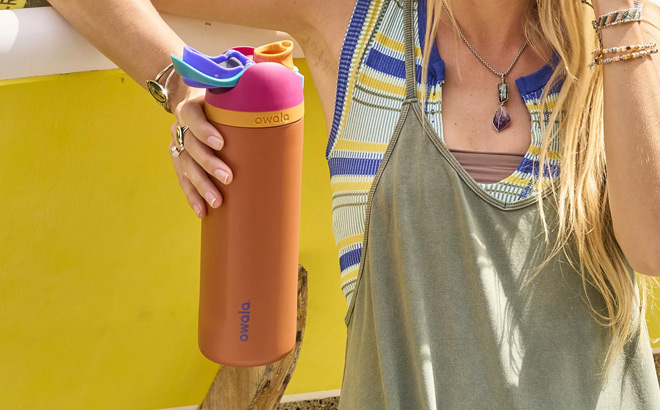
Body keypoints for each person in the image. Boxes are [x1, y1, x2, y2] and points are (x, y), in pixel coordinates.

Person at [49, 0, 660, 408]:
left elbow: (652, 244)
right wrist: (182, 82)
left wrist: (625, 20)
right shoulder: (359, 21)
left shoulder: (625, 47)